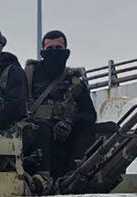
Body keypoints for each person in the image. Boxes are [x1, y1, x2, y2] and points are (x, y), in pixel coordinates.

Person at [25, 30, 97, 179]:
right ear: (43, 52)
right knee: (41, 128)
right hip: (34, 141)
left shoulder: (75, 82)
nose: (54, 53)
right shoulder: (29, 77)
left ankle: (77, 176)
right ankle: (42, 178)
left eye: (58, 49)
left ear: (66, 52)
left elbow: (90, 115)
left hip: (66, 141)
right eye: (49, 49)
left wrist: (70, 122)